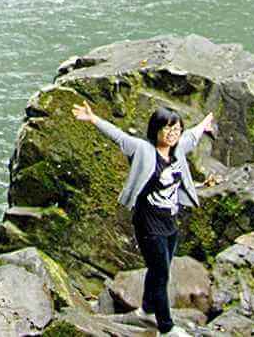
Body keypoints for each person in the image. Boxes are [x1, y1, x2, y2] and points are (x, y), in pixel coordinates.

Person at [73, 100, 218, 334]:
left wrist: (204, 124)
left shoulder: (178, 149)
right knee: (161, 274)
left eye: (176, 129)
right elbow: (119, 137)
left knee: (160, 268)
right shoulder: (143, 149)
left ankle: (148, 308)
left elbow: (191, 136)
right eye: (167, 129)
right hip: (148, 222)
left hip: (169, 220)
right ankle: (166, 327)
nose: (173, 134)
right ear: (156, 130)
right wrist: (93, 119)